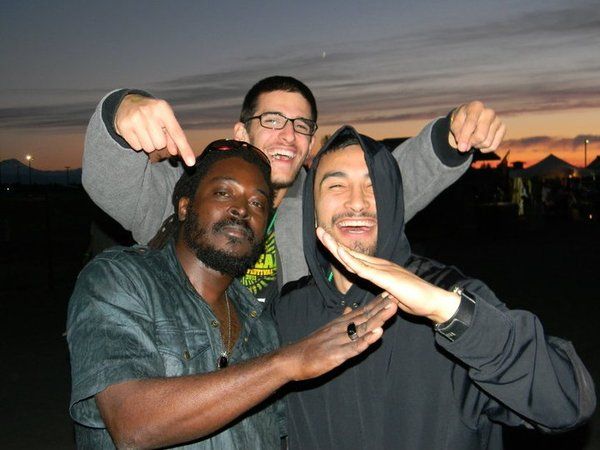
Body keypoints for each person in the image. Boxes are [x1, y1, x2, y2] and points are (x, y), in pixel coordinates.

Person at [272, 126, 596, 449]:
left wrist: (448, 312)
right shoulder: (289, 311)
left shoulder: (448, 294)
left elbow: (566, 404)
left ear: (393, 200)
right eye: (337, 185)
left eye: (373, 186)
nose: (357, 202)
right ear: (312, 210)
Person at [67, 140, 399, 449]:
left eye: (257, 203)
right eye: (224, 193)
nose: (242, 210)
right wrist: (286, 363)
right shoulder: (121, 279)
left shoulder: (262, 326)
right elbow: (133, 423)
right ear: (185, 206)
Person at [82, 76, 506, 302]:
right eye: (272, 120)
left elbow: (390, 185)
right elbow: (109, 183)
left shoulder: (319, 206)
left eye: (301, 125)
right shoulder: (192, 194)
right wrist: (122, 108)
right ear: (241, 132)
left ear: (310, 144)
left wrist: (452, 136)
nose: (288, 135)